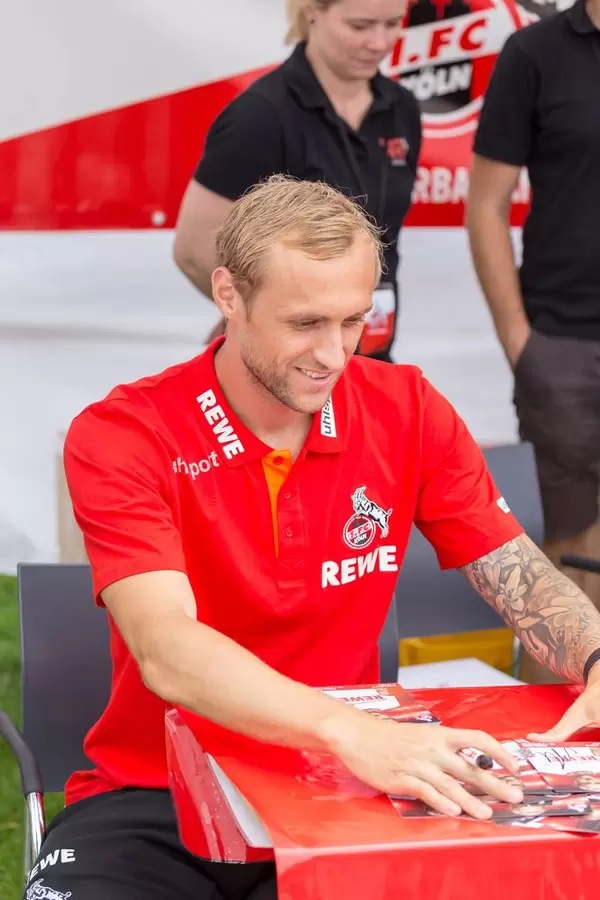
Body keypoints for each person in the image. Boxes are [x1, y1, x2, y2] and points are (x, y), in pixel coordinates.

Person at [28, 176, 600, 900]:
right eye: (305, 323)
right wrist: (352, 733)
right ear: (228, 294)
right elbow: (165, 648)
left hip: (344, 789)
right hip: (155, 797)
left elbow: (515, 571)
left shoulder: (408, 408)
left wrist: (594, 654)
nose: (334, 354)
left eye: (354, 321)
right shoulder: (125, 433)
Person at [466, 0, 600, 683]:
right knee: (565, 554)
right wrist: (520, 341)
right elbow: (485, 203)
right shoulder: (535, 55)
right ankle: (555, 762)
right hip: (562, 344)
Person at [173, 0, 421, 362]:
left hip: (369, 355)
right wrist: (262, 316)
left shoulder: (402, 108)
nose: (380, 43)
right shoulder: (260, 117)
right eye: (360, 26)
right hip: (285, 363)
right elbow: (193, 251)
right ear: (312, 12)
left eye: (393, 23)